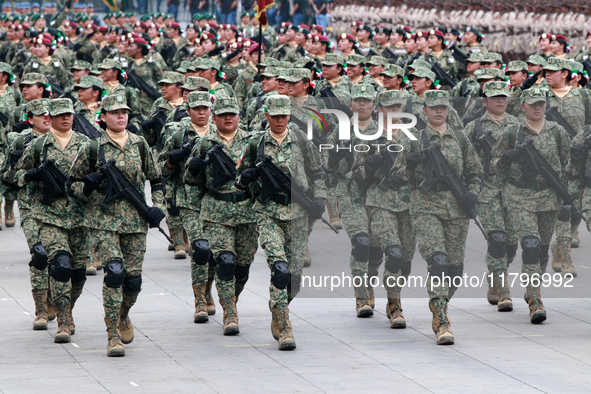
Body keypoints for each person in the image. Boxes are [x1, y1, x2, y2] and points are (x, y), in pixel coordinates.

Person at [69, 94, 166, 357]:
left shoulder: (139, 144)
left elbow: (156, 179)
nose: (121, 116)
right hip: (103, 222)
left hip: (135, 222)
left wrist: (159, 207)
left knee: (133, 281)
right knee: (114, 272)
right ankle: (112, 335)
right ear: (103, 117)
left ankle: (123, 314)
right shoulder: (91, 148)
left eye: (124, 112)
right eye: (114, 112)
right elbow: (72, 185)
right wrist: (88, 184)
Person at [236, 94, 327, 350]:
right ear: (266, 116)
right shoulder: (256, 143)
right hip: (268, 212)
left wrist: (319, 198)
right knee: (280, 270)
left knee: (294, 280)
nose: (279, 120)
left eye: (283, 116)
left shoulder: (300, 139)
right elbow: (238, 180)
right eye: (274, 116)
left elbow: (317, 172)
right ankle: (285, 328)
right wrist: (247, 176)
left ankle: (278, 306)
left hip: (298, 213)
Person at [393, 90, 483, 345]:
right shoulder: (413, 140)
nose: (439, 111)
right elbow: (397, 177)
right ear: (424, 111)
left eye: (443, 107)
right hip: (425, 207)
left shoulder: (461, 139)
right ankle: (442, 321)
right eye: (433, 107)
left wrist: (472, 194)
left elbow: (476, 173)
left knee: (455, 270)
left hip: (456, 209)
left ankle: (438, 302)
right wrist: (410, 164)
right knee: (439, 262)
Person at [491, 88, 570, 324]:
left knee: (543, 249)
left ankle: (532, 288)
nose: (537, 108)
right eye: (532, 104)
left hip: (548, 197)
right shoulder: (512, 132)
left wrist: (569, 195)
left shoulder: (558, 132)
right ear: (522, 106)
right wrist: (505, 159)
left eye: (541, 104)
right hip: (519, 196)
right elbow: (494, 164)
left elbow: (567, 165)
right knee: (531, 245)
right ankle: (535, 301)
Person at [15, 98, 90, 344]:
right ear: (52, 117)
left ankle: (63, 308)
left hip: (80, 217)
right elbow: (13, 174)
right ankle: (64, 322)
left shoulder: (87, 145)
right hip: (49, 216)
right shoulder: (38, 145)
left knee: (78, 274)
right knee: (61, 266)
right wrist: (30, 174)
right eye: (59, 115)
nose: (65, 119)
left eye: (69, 114)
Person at [185, 97, 258, 335]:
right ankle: (230, 313)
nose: (228, 118)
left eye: (232, 114)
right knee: (225, 262)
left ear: (239, 117)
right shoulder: (204, 144)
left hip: (247, 213)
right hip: (216, 212)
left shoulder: (253, 143)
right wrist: (193, 169)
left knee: (242, 267)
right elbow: (192, 183)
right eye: (223, 114)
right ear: (214, 118)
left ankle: (231, 299)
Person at [355, 89, 418, 327]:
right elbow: (357, 175)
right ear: (379, 109)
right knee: (393, 253)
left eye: (398, 107)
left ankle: (393, 292)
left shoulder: (414, 136)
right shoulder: (368, 135)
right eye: (390, 107)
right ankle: (394, 306)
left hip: (408, 203)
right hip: (380, 201)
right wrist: (370, 167)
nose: (395, 111)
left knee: (406, 262)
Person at [159, 91, 215, 322]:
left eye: (205, 108)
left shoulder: (221, 132)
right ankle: (200, 301)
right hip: (188, 200)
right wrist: (174, 158)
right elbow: (161, 168)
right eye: (196, 108)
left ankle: (207, 288)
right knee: (201, 248)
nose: (201, 112)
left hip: (217, 201)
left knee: (216, 254)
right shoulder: (178, 134)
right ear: (188, 110)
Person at [464, 81, 519, 309]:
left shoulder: (518, 125)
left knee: (511, 243)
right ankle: (503, 289)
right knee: (496, 239)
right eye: (495, 97)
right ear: (485, 100)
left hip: (515, 191)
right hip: (487, 190)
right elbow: (462, 158)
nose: (500, 101)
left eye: (503, 97)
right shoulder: (474, 127)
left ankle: (496, 274)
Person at [0, 98, 53, 330]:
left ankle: (60, 305)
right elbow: (7, 178)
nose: (47, 118)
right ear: (30, 119)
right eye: (42, 115)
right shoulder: (21, 141)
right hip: (32, 206)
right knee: (40, 255)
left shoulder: (71, 141)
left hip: (65, 209)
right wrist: (18, 169)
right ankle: (41, 310)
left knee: (64, 262)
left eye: (50, 114)